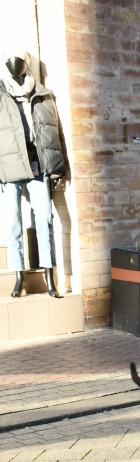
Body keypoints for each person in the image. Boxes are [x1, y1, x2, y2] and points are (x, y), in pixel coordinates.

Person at [1, 50, 66, 298]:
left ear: (27, 63)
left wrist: (58, 166)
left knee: (44, 218)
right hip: (10, 165)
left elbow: (54, 130)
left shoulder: (42, 94)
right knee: (14, 222)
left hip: (37, 163)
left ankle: (50, 275)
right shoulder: (1, 93)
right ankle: (19, 276)